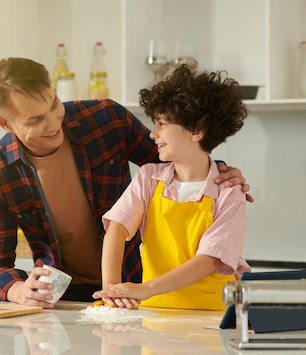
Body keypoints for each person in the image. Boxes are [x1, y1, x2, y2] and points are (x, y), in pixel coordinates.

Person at [0, 57, 251, 308]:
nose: (53, 123)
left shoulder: (107, 120)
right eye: (36, 119)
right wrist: (19, 290)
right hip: (63, 296)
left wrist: (221, 174)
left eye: (54, 105)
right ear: (5, 123)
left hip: (137, 287)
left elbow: (175, 160)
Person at [93, 65, 250, 310]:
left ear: (197, 131)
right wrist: (112, 291)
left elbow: (209, 260)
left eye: (162, 123)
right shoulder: (148, 178)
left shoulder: (229, 191)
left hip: (211, 316)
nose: (153, 133)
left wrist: (146, 289)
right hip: (154, 311)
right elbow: (116, 229)